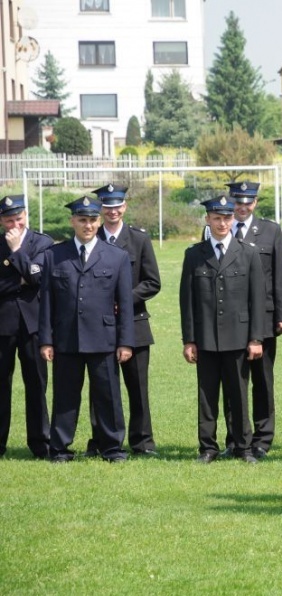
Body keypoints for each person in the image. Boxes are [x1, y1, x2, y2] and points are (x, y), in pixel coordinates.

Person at [39, 196, 134, 463]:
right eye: (82, 220)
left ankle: (113, 448)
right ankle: (60, 449)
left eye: (93, 220)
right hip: (66, 339)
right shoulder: (54, 256)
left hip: (103, 339)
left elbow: (125, 305)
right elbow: (46, 302)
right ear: (73, 222)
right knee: (65, 397)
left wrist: (125, 342)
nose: (88, 225)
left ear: (99, 220)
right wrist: (46, 340)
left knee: (108, 396)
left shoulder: (116, 257)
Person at [180, 195, 265, 464]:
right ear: (207, 219)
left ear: (233, 219)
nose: (222, 223)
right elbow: (187, 301)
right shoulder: (194, 254)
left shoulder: (248, 252)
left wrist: (255, 338)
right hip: (205, 338)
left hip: (239, 338)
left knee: (239, 395)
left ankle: (243, 447)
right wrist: (189, 340)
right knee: (207, 396)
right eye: (216, 218)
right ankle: (208, 448)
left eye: (227, 217)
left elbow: (257, 300)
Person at [89, 183, 162, 457]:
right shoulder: (91, 236)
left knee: (137, 388)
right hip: (99, 327)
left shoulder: (139, 239)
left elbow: (152, 282)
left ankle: (142, 442)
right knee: (101, 388)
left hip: (135, 324)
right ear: (101, 209)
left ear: (125, 207)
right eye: (107, 206)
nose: (113, 211)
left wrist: (123, 298)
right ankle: (100, 441)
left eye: (117, 205)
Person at [225, 181, 282, 459]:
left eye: (248, 202)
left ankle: (263, 439)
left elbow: (280, 275)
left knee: (263, 381)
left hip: (263, 318)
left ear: (256, 202)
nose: (242, 207)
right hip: (228, 318)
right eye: (238, 202)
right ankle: (235, 437)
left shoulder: (270, 230)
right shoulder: (217, 226)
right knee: (232, 380)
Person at [0, 195, 53, 459]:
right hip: (3, 325)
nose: (14, 224)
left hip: (33, 325)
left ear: (26, 216)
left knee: (36, 384)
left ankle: (41, 444)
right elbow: (26, 279)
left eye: (18, 218)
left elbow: (38, 279)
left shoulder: (42, 242)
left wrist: (16, 252)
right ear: (1, 220)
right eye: (9, 219)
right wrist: (20, 278)